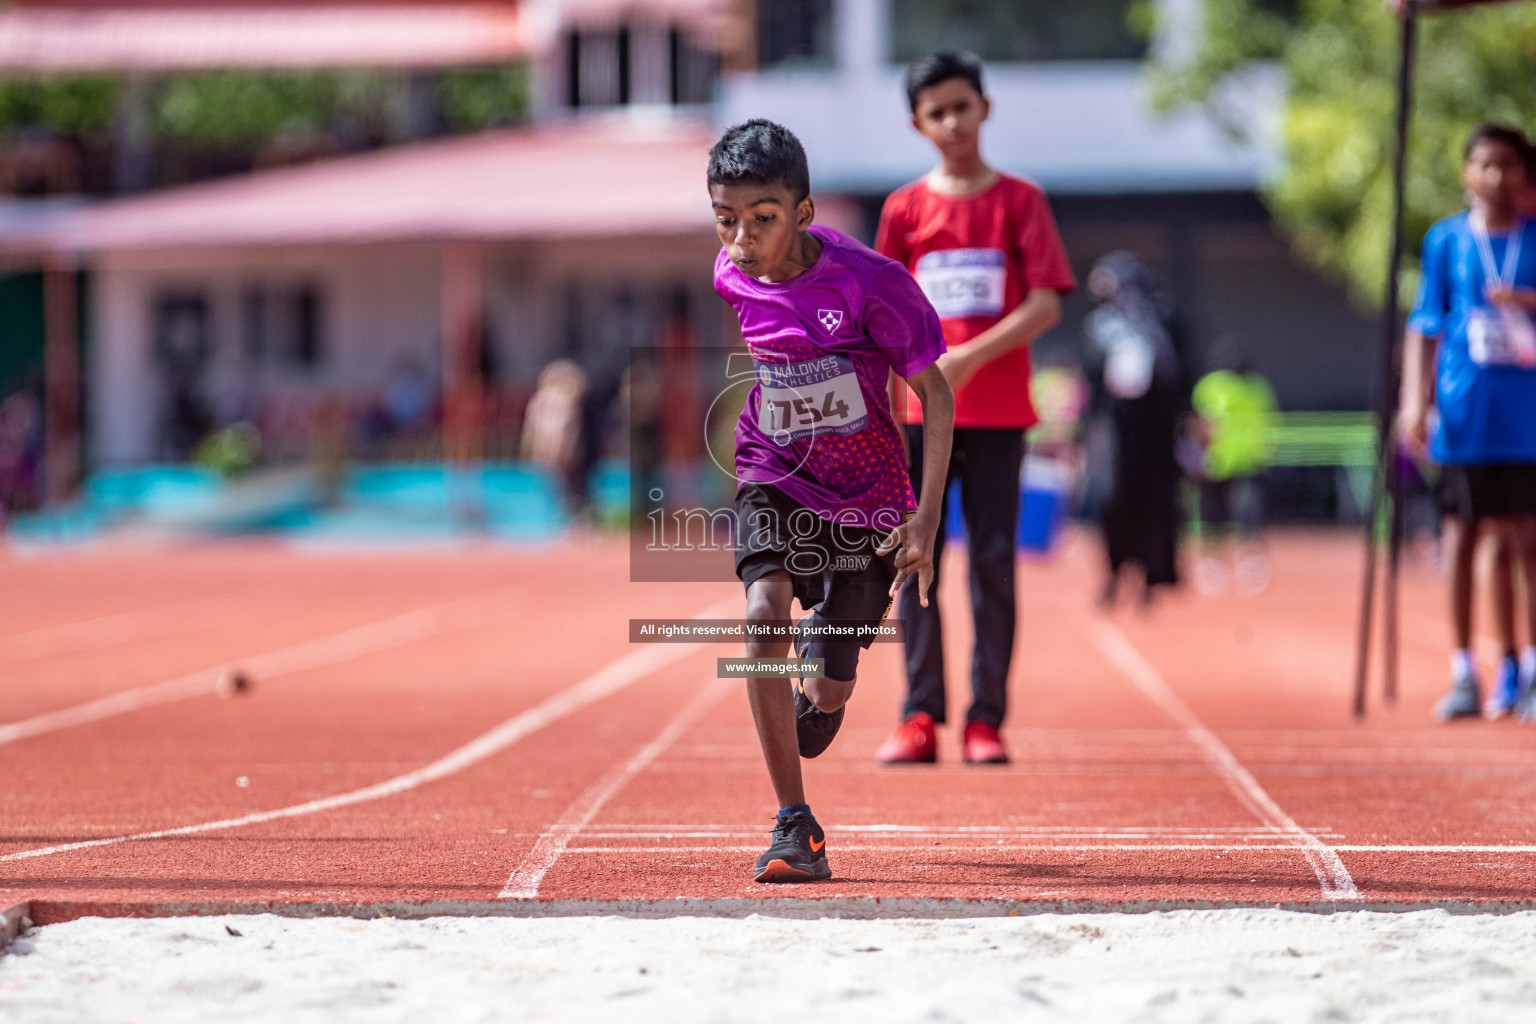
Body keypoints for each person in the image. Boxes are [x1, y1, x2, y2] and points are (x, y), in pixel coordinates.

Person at [710, 119, 954, 881]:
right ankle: (795, 823)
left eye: (763, 219)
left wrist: (928, 514)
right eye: (726, 220)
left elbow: (936, 399)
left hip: (869, 498)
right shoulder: (728, 273)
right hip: (773, 470)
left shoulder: (872, 284)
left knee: (821, 706)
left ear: (805, 214)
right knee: (760, 617)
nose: (743, 239)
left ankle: (827, 661)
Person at [872, 51, 1075, 765]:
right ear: (917, 124)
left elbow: (1045, 303)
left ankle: (987, 718)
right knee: (913, 554)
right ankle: (919, 714)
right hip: (915, 420)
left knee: (993, 563)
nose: (952, 122)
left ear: (985, 107)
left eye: (962, 105)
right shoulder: (903, 211)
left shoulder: (1020, 202)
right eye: (937, 112)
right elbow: (880, 310)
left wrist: (966, 358)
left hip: (994, 415)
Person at [1399, 123, 1536, 721]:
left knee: (1525, 540)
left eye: (1508, 165)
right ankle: (1463, 670)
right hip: (1463, 412)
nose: (1496, 176)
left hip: (1526, 415)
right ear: (1466, 173)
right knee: (1461, 539)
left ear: (1524, 176)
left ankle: (1523, 665)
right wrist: (1414, 400)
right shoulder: (1446, 241)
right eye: (1485, 164)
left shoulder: (1534, 238)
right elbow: (1425, 324)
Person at [1083, 252, 1186, 608]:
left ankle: (1149, 576)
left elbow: (1182, 372)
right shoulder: (1099, 327)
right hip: (1114, 427)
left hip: (1154, 428)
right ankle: (1114, 571)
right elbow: (1091, 380)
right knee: (1112, 499)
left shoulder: (1164, 321)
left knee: (1153, 501)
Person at [1189, 339, 1277, 597]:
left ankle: (1250, 562)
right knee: (1212, 513)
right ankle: (1212, 562)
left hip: (1248, 461)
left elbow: (1265, 422)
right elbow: (1201, 422)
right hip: (1216, 461)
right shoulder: (1210, 387)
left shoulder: (1257, 389)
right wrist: (1200, 452)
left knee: (1250, 514)